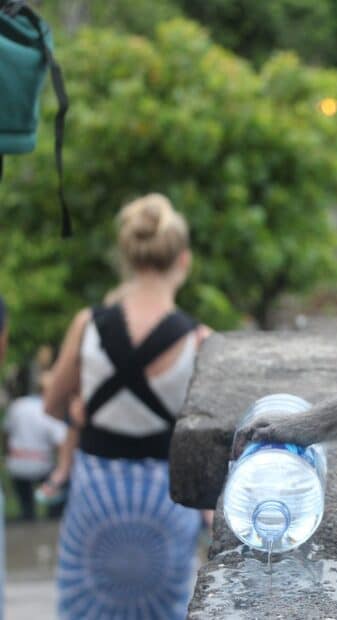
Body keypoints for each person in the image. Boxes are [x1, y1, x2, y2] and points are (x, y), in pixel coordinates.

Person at [43, 194, 211, 619]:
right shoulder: (199, 340)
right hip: (165, 501)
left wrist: (80, 411)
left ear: (126, 257)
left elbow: (51, 403)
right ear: (184, 261)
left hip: (95, 495)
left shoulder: (88, 325)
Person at [4, 377, 68, 520]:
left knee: (26, 502)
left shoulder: (18, 404)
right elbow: (62, 444)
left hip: (16, 463)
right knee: (60, 483)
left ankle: (27, 514)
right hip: (41, 465)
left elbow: (6, 434)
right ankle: (53, 518)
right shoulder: (51, 411)